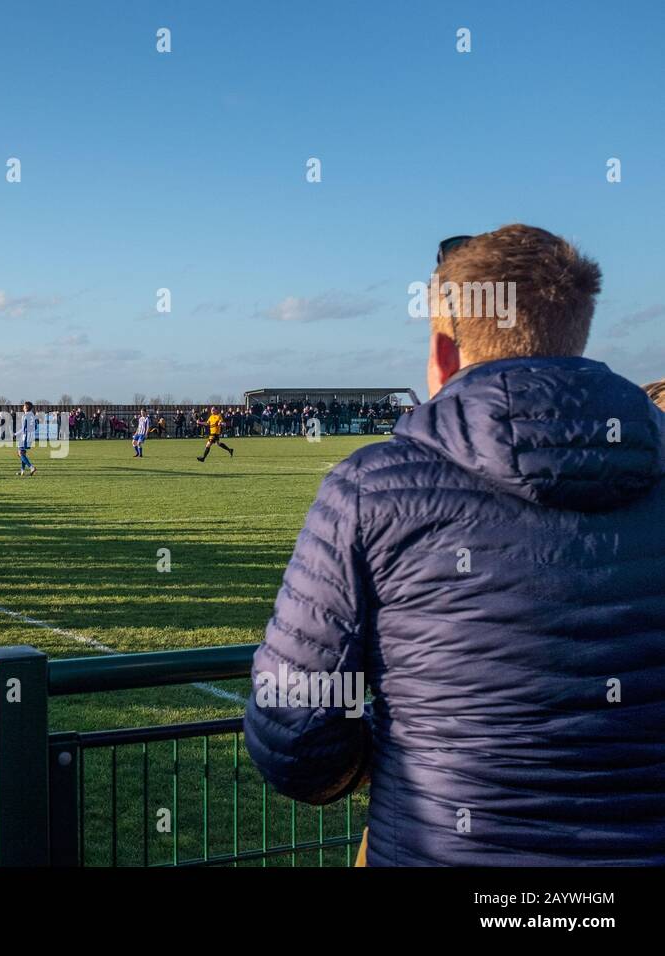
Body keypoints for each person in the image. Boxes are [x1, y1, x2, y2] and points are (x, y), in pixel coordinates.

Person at [244, 224, 665, 865]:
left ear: (443, 352)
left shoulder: (369, 487)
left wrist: (379, 756)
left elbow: (293, 730)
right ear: (576, 332)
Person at [16, 402, 37, 475]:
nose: (23, 406)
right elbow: (36, 427)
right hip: (31, 435)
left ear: (26, 407)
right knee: (23, 453)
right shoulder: (32, 415)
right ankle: (22, 471)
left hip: (25, 436)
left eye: (24, 406)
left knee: (20, 453)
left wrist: (15, 434)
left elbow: (23, 428)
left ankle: (31, 467)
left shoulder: (25, 416)